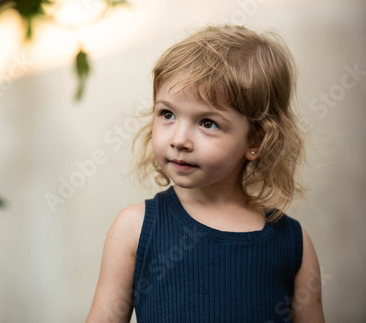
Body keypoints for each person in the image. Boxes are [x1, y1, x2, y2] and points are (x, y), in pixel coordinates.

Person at [86, 25, 325, 322]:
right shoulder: (134, 229)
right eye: (167, 114)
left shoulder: (293, 243)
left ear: (256, 141)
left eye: (208, 123)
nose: (179, 140)